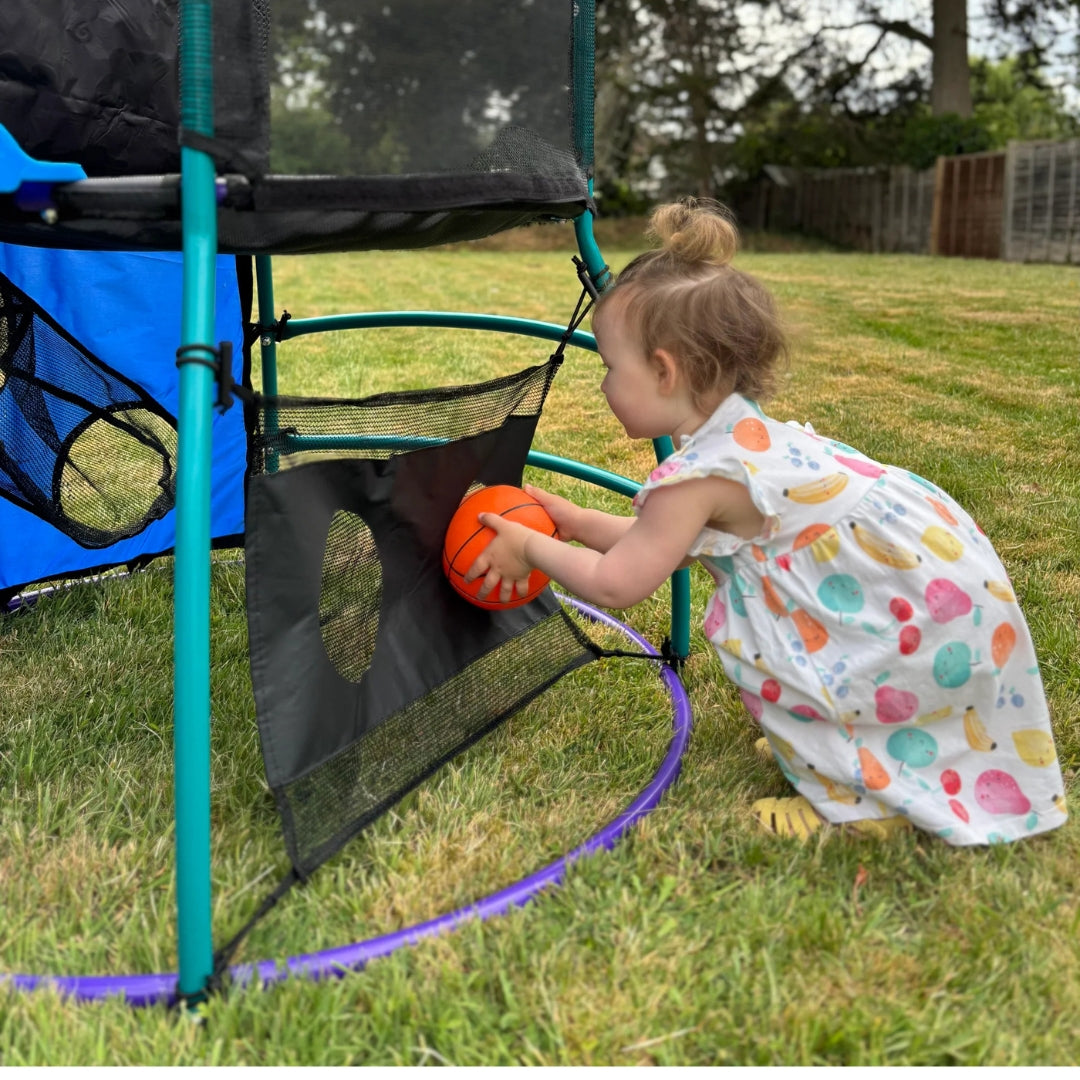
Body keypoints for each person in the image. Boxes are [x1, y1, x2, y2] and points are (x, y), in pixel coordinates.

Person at [464, 196, 1068, 845]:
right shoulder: (741, 436)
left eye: (611, 368)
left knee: (820, 676)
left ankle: (859, 805)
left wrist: (528, 547)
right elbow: (664, 547)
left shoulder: (699, 478)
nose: (604, 386)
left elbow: (618, 583)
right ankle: (847, 757)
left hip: (897, 612)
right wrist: (576, 520)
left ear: (664, 370)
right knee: (845, 674)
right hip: (926, 587)